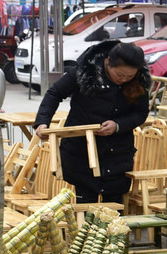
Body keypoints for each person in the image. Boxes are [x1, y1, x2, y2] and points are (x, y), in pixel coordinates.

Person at [33, 40, 151, 205]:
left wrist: (117, 125)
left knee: (113, 207)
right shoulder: (85, 71)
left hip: (117, 153)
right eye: (120, 75)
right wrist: (43, 122)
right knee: (85, 204)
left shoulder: (138, 80)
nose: (124, 80)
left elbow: (140, 113)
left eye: (129, 76)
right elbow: (55, 93)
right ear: (108, 62)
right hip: (81, 151)